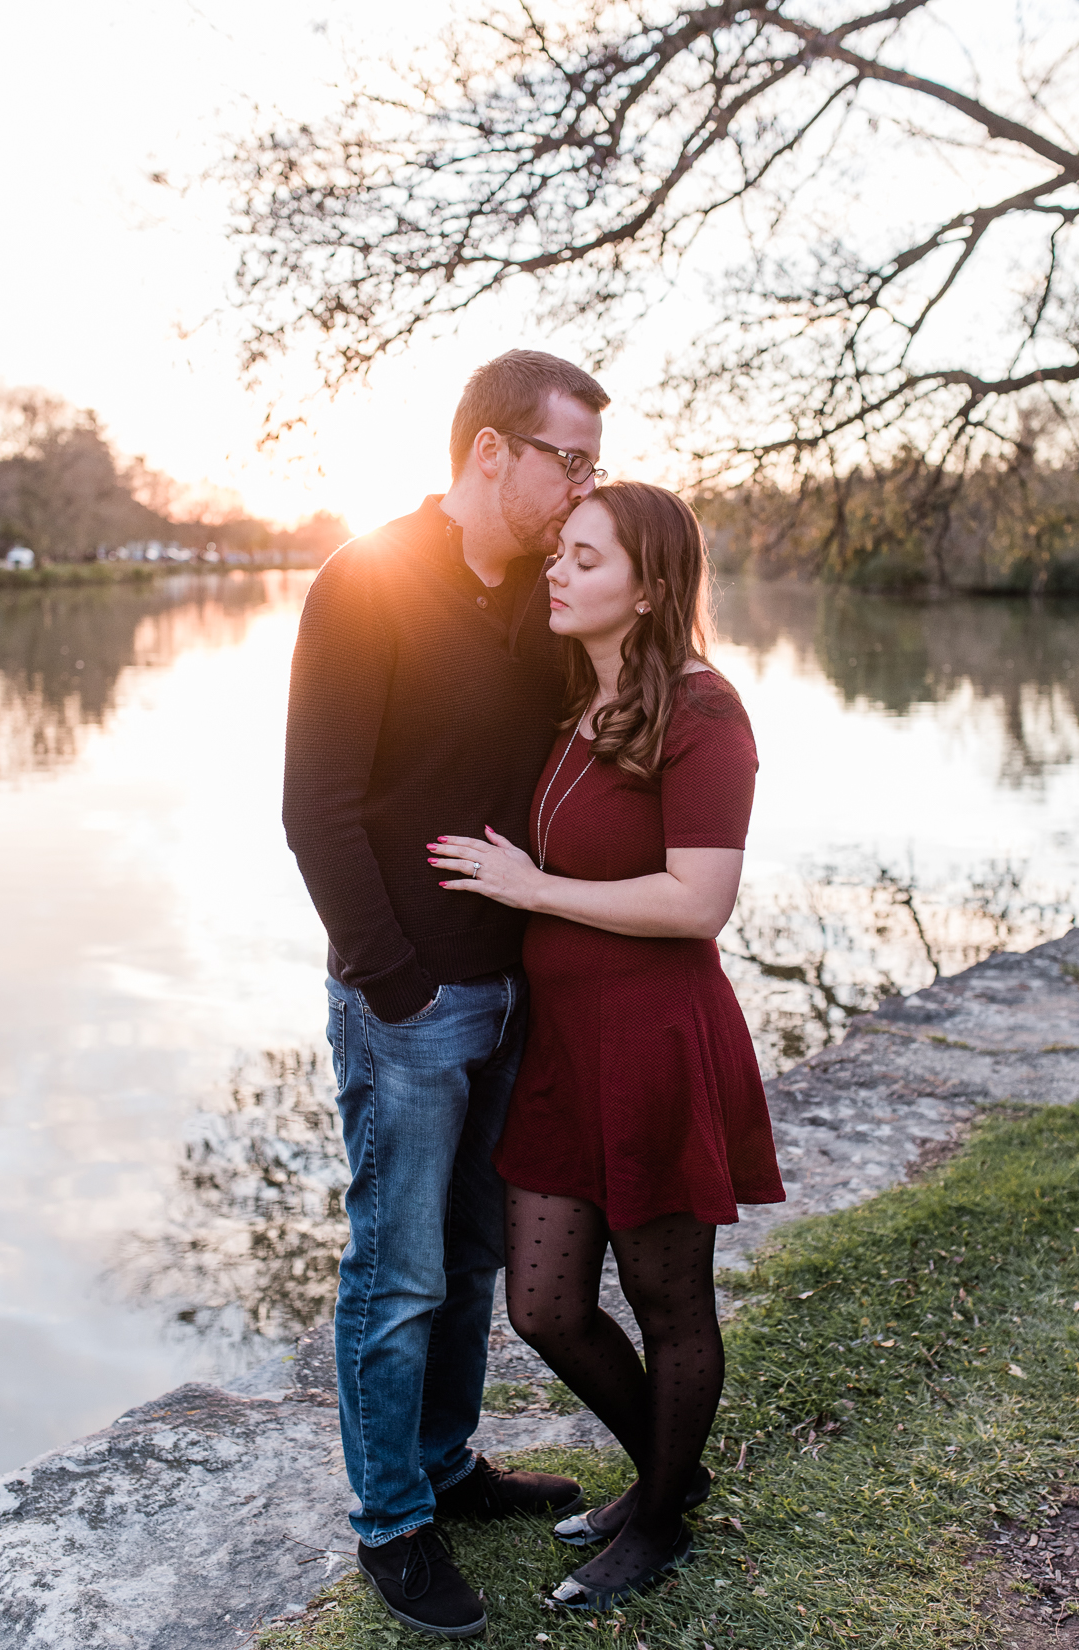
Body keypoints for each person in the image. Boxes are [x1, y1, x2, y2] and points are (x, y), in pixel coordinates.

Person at [282, 351, 612, 1639]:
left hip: (513, 994)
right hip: (407, 1006)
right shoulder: (361, 582)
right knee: (398, 1271)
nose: (584, 483)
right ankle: (390, 1525)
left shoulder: (540, 601)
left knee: (473, 1256)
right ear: (491, 453)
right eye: (568, 460)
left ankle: (445, 1466)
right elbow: (315, 811)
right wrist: (396, 983)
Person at [427, 481, 785, 1613]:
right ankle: (666, 1477)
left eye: (584, 559)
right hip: (565, 1049)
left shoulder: (705, 712)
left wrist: (534, 887)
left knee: (667, 1301)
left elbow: (697, 902)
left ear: (648, 586)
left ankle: (660, 1518)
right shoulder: (584, 706)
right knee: (542, 1305)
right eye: (560, 553)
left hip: (655, 1044)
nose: (557, 570)